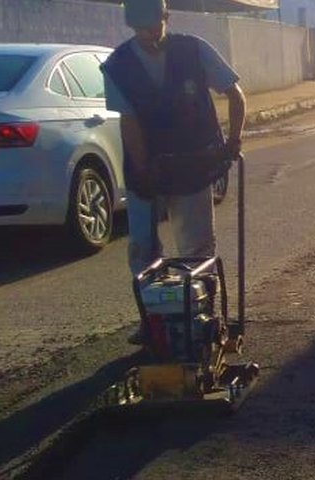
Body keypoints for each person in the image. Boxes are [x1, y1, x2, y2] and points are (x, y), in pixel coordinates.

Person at [101, 0, 246, 343]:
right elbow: (130, 123)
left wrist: (234, 140)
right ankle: (153, 320)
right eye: (141, 29)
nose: (149, 34)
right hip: (147, 169)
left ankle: (204, 313)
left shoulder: (193, 50)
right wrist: (143, 170)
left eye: (154, 26)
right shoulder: (118, 65)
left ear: (166, 18)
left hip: (193, 164)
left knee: (196, 246)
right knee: (142, 248)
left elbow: (234, 93)